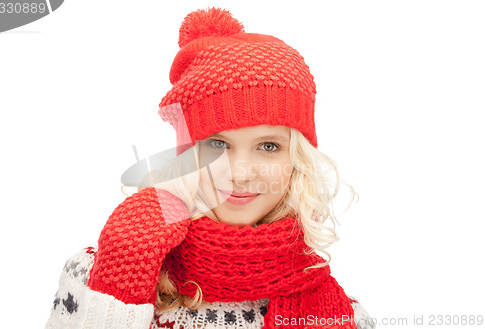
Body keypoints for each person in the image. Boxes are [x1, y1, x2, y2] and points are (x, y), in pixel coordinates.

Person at [45, 7, 375, 329]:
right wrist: (121, 277)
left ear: (297, 160)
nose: (242, 172)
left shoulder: (346, 317)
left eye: (268, 146)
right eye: (217, 144)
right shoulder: (92, 276)